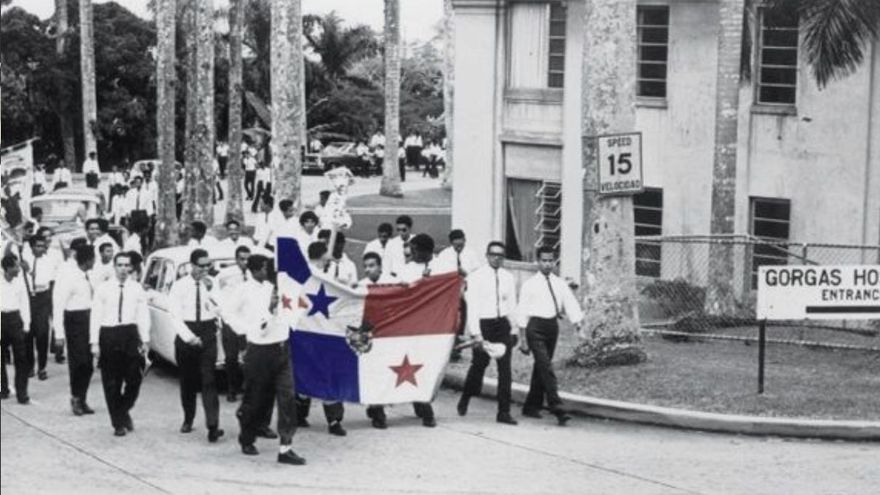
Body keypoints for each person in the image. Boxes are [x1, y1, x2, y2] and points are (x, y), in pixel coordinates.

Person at [225, 255, 304, 464]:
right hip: (260, 350)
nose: (269, 271)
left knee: (287, 398)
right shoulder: (244, 290)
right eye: (265, 268)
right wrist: (247, 329)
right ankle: (247, 437)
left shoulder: (274, 287)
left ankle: (286, 447)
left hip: (281, 348)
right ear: (254, 270)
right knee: (255, 399)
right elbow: (227, 312)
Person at [517, 246, 584, 426]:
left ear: (555, 262)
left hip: (551, 327)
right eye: (544, 260)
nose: (547, 264)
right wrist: (523, 338)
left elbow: (570, 303)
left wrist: (578, 324)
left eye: (550, 261)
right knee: (546, 367)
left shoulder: (559, 283)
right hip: (535, 328)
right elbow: (522, 311)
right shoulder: (529, 284)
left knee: (541, 368)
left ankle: (531, 406)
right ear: (538, 262)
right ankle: (557, 406)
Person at [457, 241, 518, 425]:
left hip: (502, 325)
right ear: (487, 255)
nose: (497, 258)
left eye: (501, 255)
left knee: (505, 370)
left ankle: (503, 412)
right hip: (484, 325)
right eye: (493, 254)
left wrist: (514, 329)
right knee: (479, 366)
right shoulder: (476, 278)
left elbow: (512, 304)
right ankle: (466, 396)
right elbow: (472, 308)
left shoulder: (508, 277)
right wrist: (476, 333)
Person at [90, 252, 150, 436]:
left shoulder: (136, 288)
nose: (123, 269)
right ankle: (118, 423)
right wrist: (94, 343)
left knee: (134, 378)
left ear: (131, 268)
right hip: (109, 335)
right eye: (120, 265)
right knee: (112, 382)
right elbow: (96, 316)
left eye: (127, 265)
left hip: (130, 334)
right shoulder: (103, 289)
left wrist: (145, 339)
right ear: (114, 267)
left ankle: (123, 410)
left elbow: (143, 314)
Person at [168, 249, 224, 442]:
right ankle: (188, 418)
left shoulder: (213, 284)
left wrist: (210, 292)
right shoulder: (179, 286)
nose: (205, 269)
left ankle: (213, 425)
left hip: (207, 331)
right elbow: (174, 315)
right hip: (187, 333)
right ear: (192, 265)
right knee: (188, 381)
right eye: (201, 266)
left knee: (209, 379)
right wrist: (190, 337)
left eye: (208, 265)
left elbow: (219, 309)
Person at [295, 242, 347, 436]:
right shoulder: (309, 277)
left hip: (322, 331)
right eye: (327, 254)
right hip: (307, 331)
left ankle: (332, 420)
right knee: (309, 374)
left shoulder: (323, 277)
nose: (329, 257)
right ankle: (302, 414)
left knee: (324, 374)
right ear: (322, 255)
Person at [395, 233, 441, 427]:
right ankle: (424, 407)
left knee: (428, 367)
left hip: (434, 325)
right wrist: (420, 283)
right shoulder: (407, 269)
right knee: (412, 365)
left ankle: (420, 402)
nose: (411, 253)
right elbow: (403, 294)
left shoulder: (441, 267)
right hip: (412, 325)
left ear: (426, 251)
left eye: (414, 250)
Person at [52, 245, 97, 416]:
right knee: (79, 363)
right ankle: (76, 397)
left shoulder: (88, 276)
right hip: (74, 322)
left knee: (89, 364)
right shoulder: (69, 276)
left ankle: (82, 397)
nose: (95, 261)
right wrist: (59, 334)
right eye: (94, 258)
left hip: (89, 320)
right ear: (88, 260)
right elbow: (58, 305)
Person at [357, 252, 399, 429]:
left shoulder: (391, 283)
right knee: (372, 372)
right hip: (369, 335)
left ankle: (377, 407)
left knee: (385, 372)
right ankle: (376, 408)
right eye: (365, 266)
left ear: (380, 266)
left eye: (372, 265)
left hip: (388, 334)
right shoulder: (361, 286)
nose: (368, 269)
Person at [21, 234, 58, 380]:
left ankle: (42, 367)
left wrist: (30, 271)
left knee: (42, 333)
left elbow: (44, 280)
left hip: (43, 297)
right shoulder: (25, 259)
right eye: (37, 246)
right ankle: (30, 366)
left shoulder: (48, 261)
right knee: (27, 333)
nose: (41, 249)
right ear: (31, 247)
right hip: (28, 298)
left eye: (43, 246)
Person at [217, 246, 251, 402]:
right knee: (230, 357)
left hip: (246, 320)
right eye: (242, 259)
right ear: (236, 259)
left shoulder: (252, 274)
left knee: (248, 355)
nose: (245, 262)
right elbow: (217, 293)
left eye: (247, 259)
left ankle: (247, 387)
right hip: (230, 320)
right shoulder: (226, 274)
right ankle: (232, 389)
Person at [1, 253, 31, 404]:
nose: (19, 269)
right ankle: (3, 389)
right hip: (1, 319)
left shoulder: (19, 283)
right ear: (8, 268)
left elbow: (24, 303)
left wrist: (26, 324)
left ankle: (22, 392)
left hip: (15, 319)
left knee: (21, 357)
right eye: (16, 266)